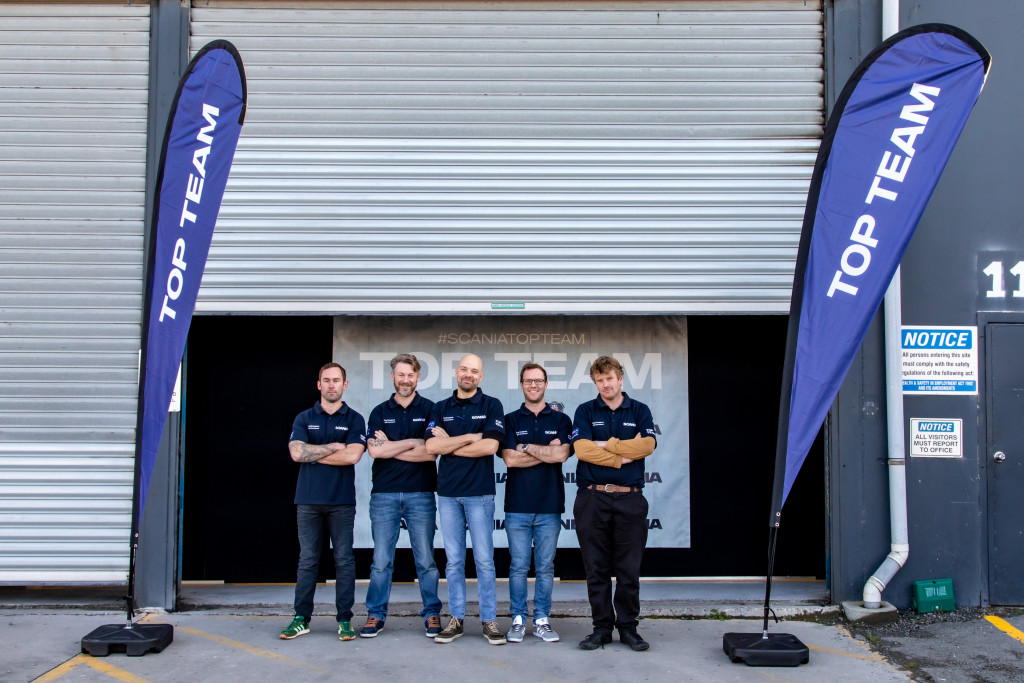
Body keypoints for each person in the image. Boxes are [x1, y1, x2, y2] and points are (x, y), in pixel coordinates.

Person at [570, 355, 657, 652]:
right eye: (600, 380)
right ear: (595, 382)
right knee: (596, 568)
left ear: (620, 378)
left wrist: (607, 444)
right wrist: (622, 457)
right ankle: (602, 628)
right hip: (592, 497)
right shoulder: (585, 410)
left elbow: (647, 445)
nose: (605, 384)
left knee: (628, 570)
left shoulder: (640, 410)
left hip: (630, 498)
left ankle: (629, 628)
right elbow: (582, 450)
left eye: (609, 378)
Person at [279, 363, 366, 641]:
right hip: (308, 500)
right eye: (326, 380)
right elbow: (296, 454)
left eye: (336, 380)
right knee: (307, 561)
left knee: (344, 561)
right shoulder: (304, 418)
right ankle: (301, 618)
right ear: (319, 385)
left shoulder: (354, 419)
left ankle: (344, 620)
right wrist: (333, 447)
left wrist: (313, 455)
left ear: (345, 385)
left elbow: (353, 456)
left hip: (342, 501)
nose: (331, 385)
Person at [425, 353, 507, 645]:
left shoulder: (491, 405)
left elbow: (490, 446)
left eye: (474, 371)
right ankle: (456, 619)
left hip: (479, 493)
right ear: (456, 372)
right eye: (464, 369)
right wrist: (471, 436)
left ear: (480, 376)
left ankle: (489, 620)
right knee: (454, 561)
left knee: (484, 561)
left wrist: (449, 444)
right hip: (448, 494)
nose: (468, 374)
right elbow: (431, 446)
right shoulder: (440, 407)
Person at [360, 354, 442, 638]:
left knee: (426, 561)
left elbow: (430, 451)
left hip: (421, 493)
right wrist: (411, 442)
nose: (405, 380)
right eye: (400, 375)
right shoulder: (379, 411)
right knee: (381, 561)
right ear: (392, 377)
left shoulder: (431, 409)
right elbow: (375, 450)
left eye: (410, 375)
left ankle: (432, 614)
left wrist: (392, 446)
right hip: (384, 494)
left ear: (417, 377)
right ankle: (375, 614)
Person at [500, 363, 572, 643]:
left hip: (549, 505)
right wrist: (545, 452)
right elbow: (509, 459)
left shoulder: (561, 420)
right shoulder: (510, 420)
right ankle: (518, 619)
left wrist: (526, 447)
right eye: (528, 381)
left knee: (545, 567)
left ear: (546, 384)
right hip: (517, 505)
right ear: (522, 384)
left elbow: (561, 455)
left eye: (538, 381)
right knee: (518, 567)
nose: (533, 385)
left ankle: (542, 620)